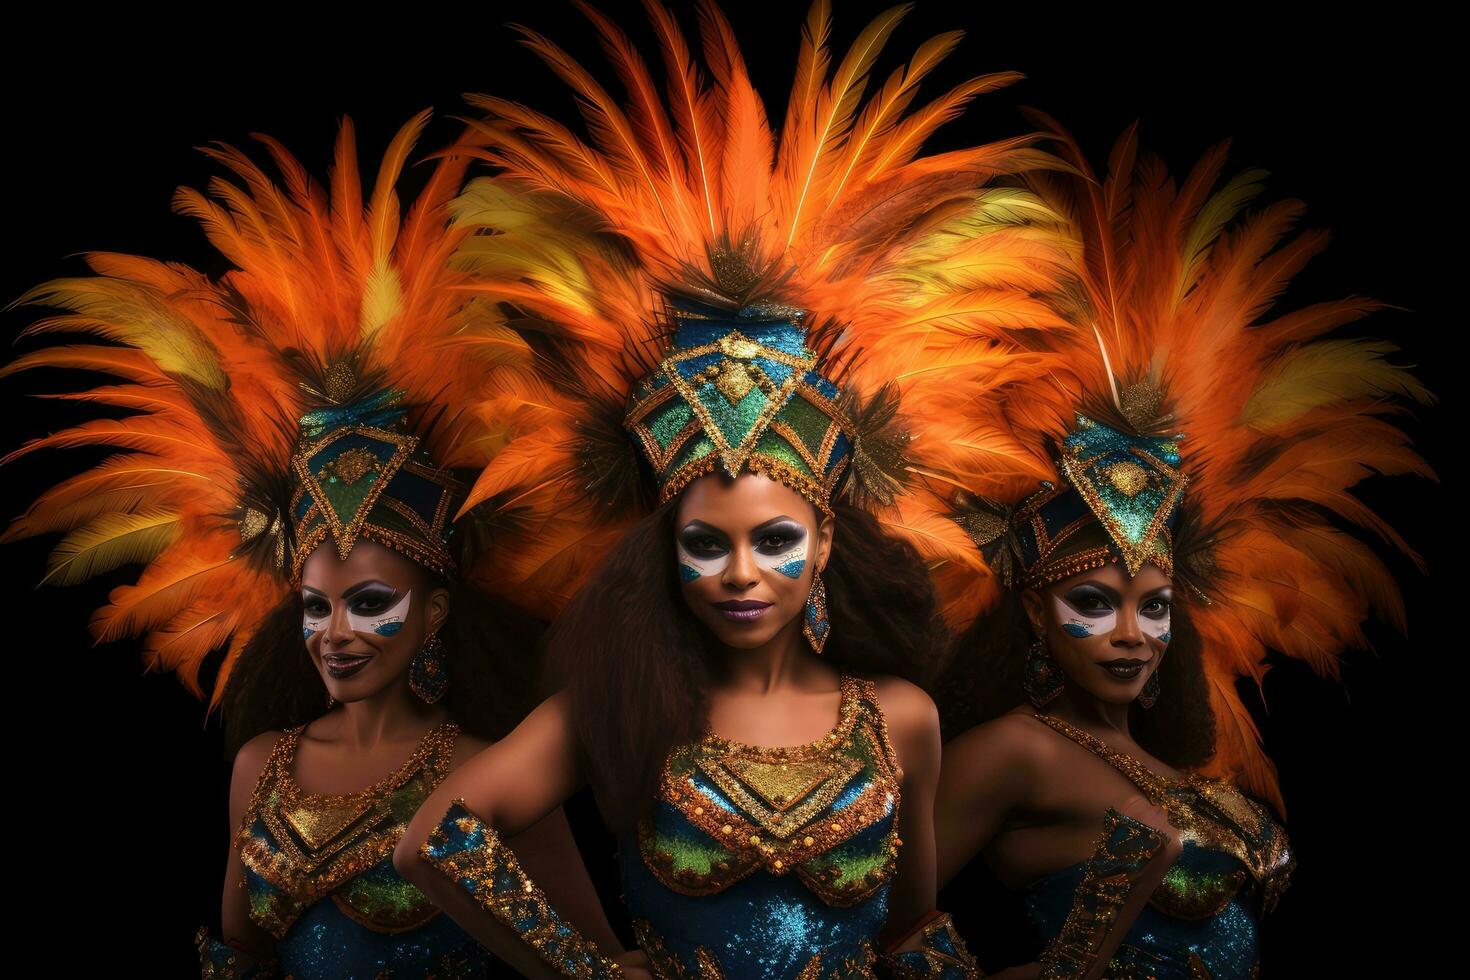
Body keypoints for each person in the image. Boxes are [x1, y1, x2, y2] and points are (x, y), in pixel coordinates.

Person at [388, 3, 1064, 976]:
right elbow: (436, 838)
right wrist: (588, 965)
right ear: (666, 548)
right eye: (707, 543)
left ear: (826, 542)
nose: (740, 573)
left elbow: (910, 931)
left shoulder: (901, 717)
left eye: (775, 540)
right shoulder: (618, 702)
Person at [2, 112, 617, 978]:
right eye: (317, 605)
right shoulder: (262, 767)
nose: (335, 632)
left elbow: (587, 957)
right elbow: (244, 951)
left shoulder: (487, 771)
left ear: (436, 611)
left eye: (370, 603)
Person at [920, 121, 1433, 978]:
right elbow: (872, 924)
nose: (1133, 631)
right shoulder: (1016, 749)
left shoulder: (1175, 769)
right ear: (1034, 619)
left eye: (1152, 605)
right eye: (1094, 602)